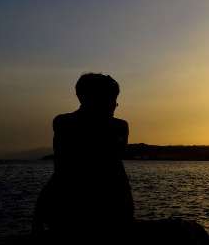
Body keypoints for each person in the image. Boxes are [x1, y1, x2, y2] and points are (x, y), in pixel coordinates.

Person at [33, 73, 134, 235]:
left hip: (98, 204)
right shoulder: (117, 127)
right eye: (110, 99)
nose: (114, 105)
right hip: (93, 206)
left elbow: (62, 170)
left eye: (114, 100)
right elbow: (65, 170)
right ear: (86, 98)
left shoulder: (64, 123)